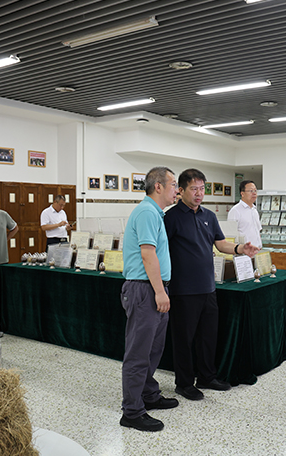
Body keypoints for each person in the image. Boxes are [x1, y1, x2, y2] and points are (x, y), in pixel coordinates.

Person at [165, 169, 259, 401]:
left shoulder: (208, 215)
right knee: (184, 339)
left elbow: (220, 243)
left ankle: (207, 376)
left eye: (202, 189)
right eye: (194, 189)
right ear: (181, 190)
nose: (199, 194)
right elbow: (161, 250)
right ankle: (184, 383)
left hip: (208, 287)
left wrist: (240, 249)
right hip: (183, 290)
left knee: (208, 336)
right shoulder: (171, 217)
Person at [119, 167, 179, 432]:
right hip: (145, 290)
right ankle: (132, 411)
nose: (177, 190)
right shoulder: (146, 212)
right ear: (158, 187)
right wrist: (159, 291)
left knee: (153, 349)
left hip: (152, 288)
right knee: (138, 352)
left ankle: (148, 394)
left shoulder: (155, 213)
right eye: (173, 184)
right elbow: (147, 254)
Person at [227, 180, 262, 249]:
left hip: (257, 250)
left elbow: (257, 231)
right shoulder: (235, 211)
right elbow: (231, 236)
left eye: (255, 191)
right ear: (242, 194)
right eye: (251, 191)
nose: (254, 193)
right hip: (244, 251)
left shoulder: (254, 210)